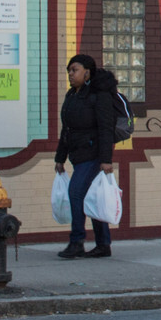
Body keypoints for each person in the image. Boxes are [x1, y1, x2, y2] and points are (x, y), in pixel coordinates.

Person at [54, 53, 121, 258]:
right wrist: (60, 157)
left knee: (76, 193)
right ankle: (103, 244)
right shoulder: (71, 95)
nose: (70, 75)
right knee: (93, 198)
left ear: (87, 72)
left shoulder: (98, 96)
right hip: (78, 154)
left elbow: (105, 129)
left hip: (93, 156)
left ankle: (77, 241)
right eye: (69, 71)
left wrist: (105, 160)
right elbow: (67, 129)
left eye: (75, 70)